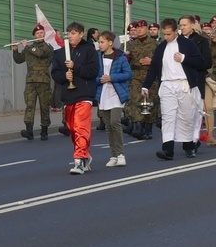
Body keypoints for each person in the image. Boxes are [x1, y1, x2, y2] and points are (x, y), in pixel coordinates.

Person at [142, 18, 205, 160]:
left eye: (169, 34)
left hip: (184, 85)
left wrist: (184, 58)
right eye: (164, 34)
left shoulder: (188, 44)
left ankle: (188, 146)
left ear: (176, 31)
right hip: (167, 85)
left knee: (186, 117)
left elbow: (200, 62)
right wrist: (146, 85)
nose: (166, 37)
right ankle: (167, 149)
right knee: (167, 117)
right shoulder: (161, 47)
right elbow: (154, 68)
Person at [50, 21, 99, 175]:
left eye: (73, 33)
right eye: (69, 33)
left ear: (81, 34)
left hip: (84, 94)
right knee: (72, 128)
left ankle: (79, 160)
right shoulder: (60, 53)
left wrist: (76, 67)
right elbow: (55, 73)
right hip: (68, 96)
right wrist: (65, 76)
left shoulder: (89, 50)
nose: (70, 36)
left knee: (80, 127)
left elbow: (93, 71)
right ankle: (85, 154)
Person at [95, 31, 132, 167]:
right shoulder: (97, 57)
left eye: (102, 42)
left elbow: (128, 74)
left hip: (116, 93)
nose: (100, 44)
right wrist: (99, 80)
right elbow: (94, 75)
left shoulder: (120, 57)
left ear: (110, 43)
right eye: (99, 42)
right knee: (108, 126)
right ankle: (113, 155)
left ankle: (121, 153)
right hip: (103, 94)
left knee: (115, 121)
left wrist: (112, 78)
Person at [12, 24, 53, 141]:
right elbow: (19, 60)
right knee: (30, 105)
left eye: (41, 33)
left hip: (43, 81)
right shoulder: (29, 48)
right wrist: (15, 50)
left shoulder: (48, 47)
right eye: (37, 33)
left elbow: (40, 53)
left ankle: (44, 131)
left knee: (44, 105)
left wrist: (27, 47)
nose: (39, 35)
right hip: (30, 80)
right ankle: (29, 130)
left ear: (44, 34)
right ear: (34, 35)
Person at [180, 16, 212, 151]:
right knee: (182, 113)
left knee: (195, 112)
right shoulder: (177, 42)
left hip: (196, 80)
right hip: (180, 81)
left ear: (192, 25)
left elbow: (207, 63)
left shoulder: (202, 41)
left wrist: (186, 61)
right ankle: (187, 140)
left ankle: (194, 139)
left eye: (185, 25)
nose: (182, 28)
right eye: (180, 25)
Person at [126, 20, 158, 140]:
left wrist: (152, 61)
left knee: (149, 102)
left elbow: (161, 60)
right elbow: (124, 59)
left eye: (142, 27)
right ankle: (137, 126)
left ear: (147, 29)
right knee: (136, 100)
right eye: (137, 28)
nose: (139, 30)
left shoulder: (154, 43)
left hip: (150, 75)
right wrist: (126, 57)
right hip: (136, 75)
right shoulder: (130, 44)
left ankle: (148, 128)